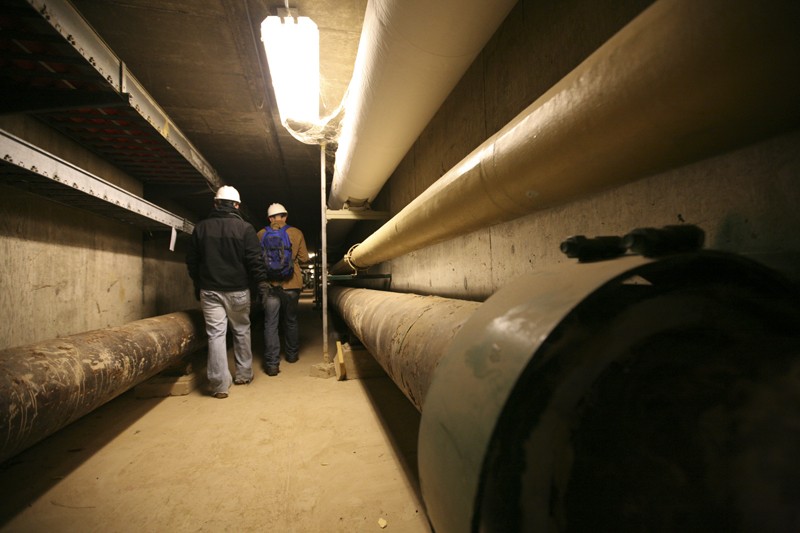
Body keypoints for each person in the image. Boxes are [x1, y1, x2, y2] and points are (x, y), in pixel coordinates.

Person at [186, 186, 269, 399]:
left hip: (210, 290)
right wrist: (260, 284)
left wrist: (198, 283)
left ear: (215, 204)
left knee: (216, 335)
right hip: (238, 290)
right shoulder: (245, 229)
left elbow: (192, 261)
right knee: (241, 330)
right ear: (237, 205)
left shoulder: (201, 228)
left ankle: (220, 385)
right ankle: (243, 374)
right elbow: (255, 261)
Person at [258, 203, 309, 376]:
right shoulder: (296, 233)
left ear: (270, 218)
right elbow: (304, 259)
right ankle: (292, 356)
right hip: (292, 284)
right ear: (285, 216)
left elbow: (257, 260)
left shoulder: (261, 234)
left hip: (270, 285)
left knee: (270, 324)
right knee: (291, 320)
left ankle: (272, 364)